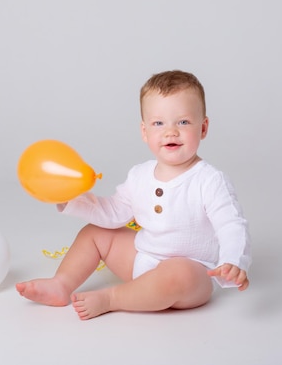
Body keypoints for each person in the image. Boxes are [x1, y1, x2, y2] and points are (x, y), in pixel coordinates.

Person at [16, 70, 251, 320]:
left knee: (178, 273)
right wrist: (69, 198)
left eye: (183, 122)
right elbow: (113, 212)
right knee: (95, 233)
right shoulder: (140, 175)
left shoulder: (209, 180)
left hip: (193, 274)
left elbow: (231, 225)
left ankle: (112, 298)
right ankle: (61, 284)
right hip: (143, 260)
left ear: (203, 127)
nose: (171, 132)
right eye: (158, 123)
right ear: (144, 131)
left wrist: (232, 261)